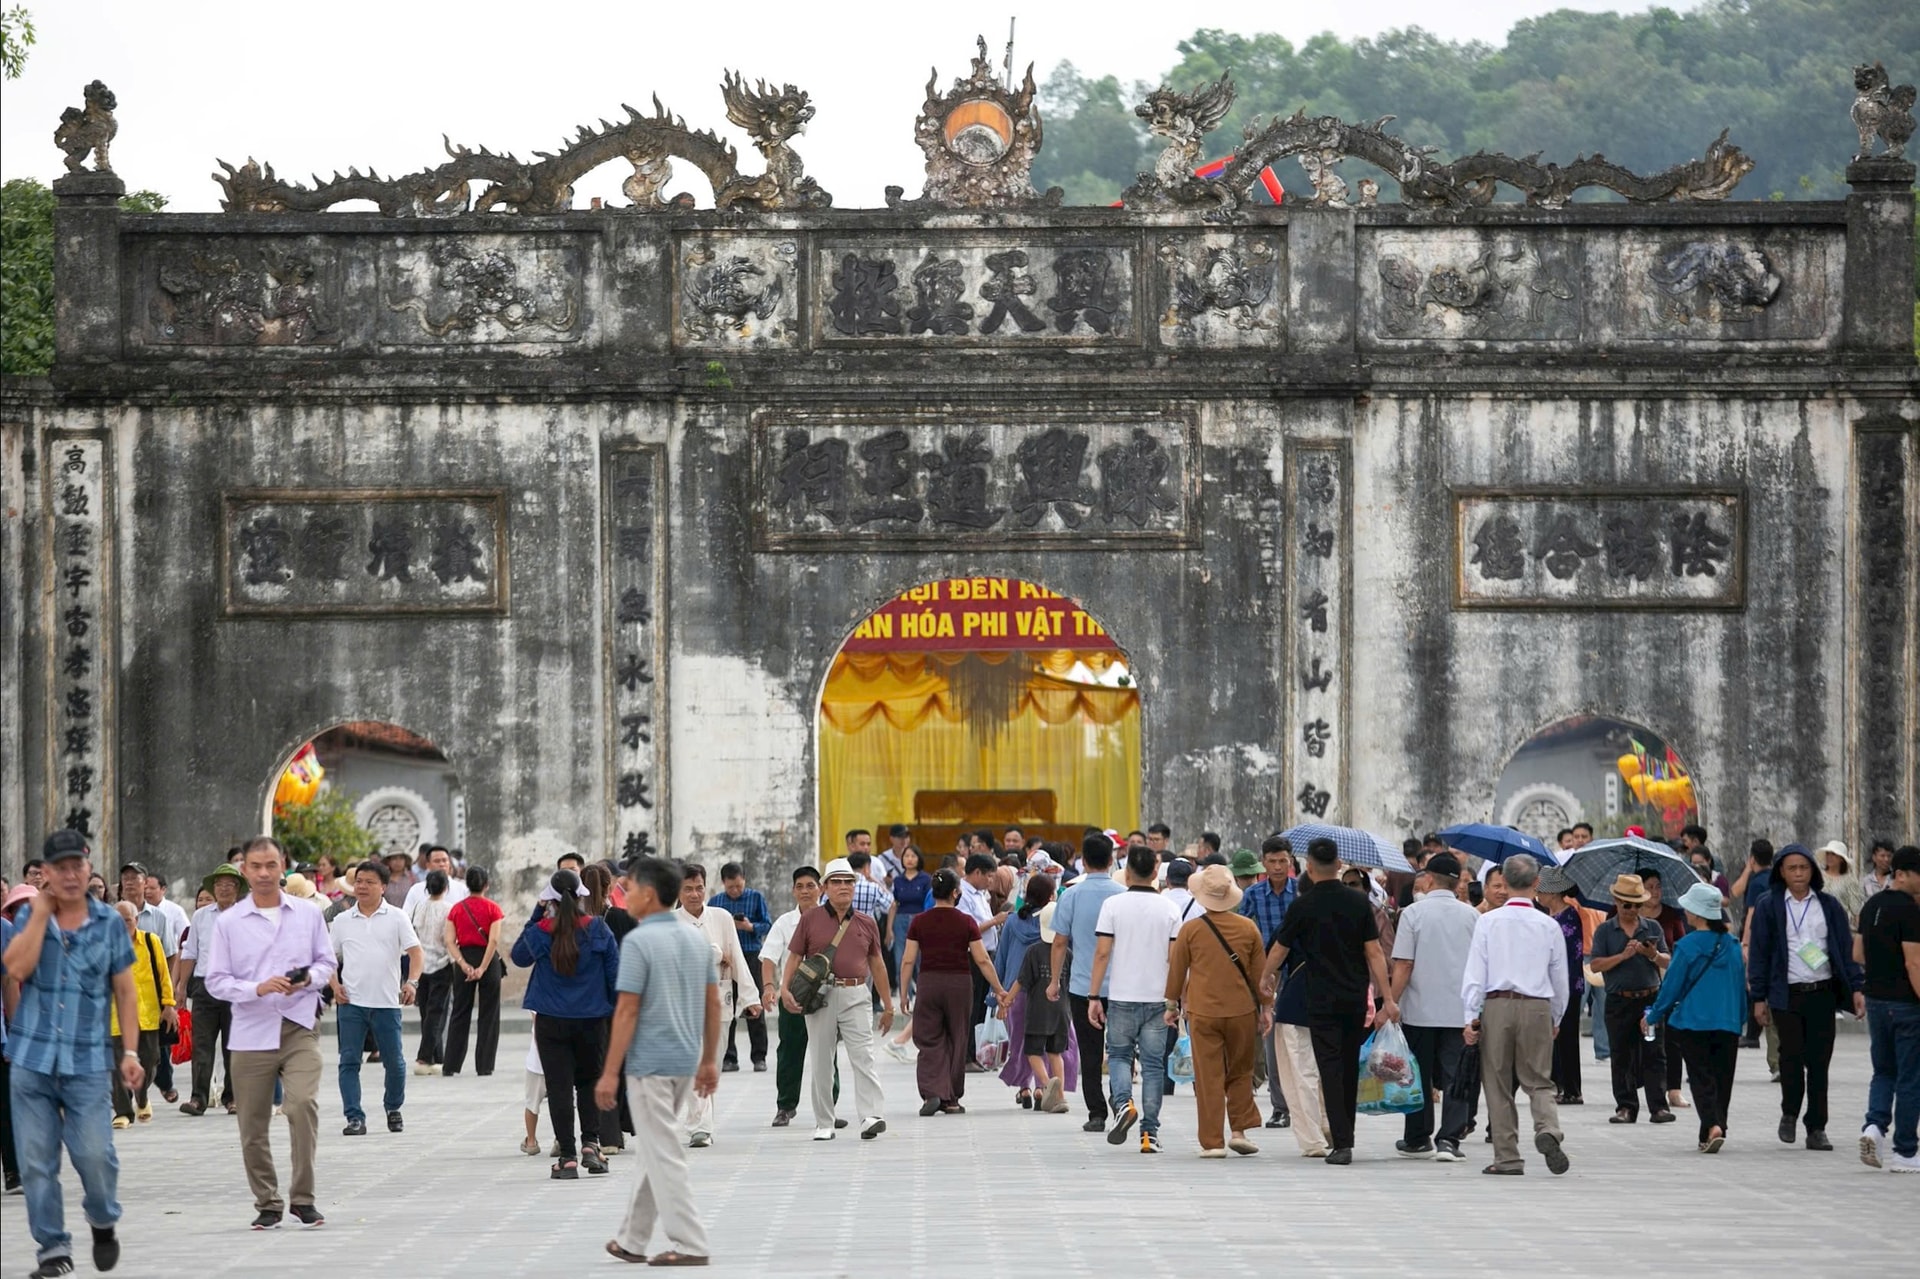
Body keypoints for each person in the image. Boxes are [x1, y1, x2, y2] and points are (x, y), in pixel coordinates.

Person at [3, 830, 142, 1277]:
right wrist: (41, 914)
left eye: (77, 866)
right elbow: (17, 970)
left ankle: (102, 1220)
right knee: (37, 1164)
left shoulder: (108, 923)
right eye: (59, 868)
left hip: (86, 1063)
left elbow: (125, 990)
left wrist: (132, 1053)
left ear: (88, 867)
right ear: (44, 874)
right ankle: (53, 1250)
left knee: (95, 1157)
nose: (69, 875)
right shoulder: (29, 916)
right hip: (32, 1062)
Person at [201, 836, 335, 1230]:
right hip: (249, 1030)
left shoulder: (308, 915)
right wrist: (255, 989)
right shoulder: (228, 922)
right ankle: (267, 1201)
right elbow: (216, 980)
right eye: (255, 866)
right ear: (244, 870)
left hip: (299, 1025)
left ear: (283, 867)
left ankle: (303, 1198)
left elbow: (326, 962)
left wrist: (308, 979)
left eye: (271, 865)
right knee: (253, 1124)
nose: (263, 873)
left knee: (301, 1105)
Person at [596, 857, 721, 1267]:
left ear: (648, 895)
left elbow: (627, 1011)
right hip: (685, 1059)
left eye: (629, 888)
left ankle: (691, 1243)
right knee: (655, 1147)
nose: (624, 895)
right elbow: (713, 1004)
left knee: (664, 1152)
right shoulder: (695, 939)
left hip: (649, 1064)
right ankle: (632, 1238)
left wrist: (610, 1073)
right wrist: (708, 1061)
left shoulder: (637, 942)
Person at [1260, 838, 1399, 1166]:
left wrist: (1265, 977)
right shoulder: (1357, 902)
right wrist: (1388, 997)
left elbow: (1280, 948)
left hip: (1318, 998)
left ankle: (1342, 1143)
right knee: (1348, 1066)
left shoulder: (1302, 905)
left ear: (1308, 867)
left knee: (1329, 1067)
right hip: (1352, 997)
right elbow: (1375, 951)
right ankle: (1344, 1135)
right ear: (1339, 865)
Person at [1748, 843, 1866, 1151]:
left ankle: (1817, 1127)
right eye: (1792, 868)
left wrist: (1856, 987)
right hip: (1786, 994)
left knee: (1819, 1062)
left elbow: (1845, 949)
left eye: (1804, 867)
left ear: (1813, 871)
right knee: (1790, 1057)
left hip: (1822, 991)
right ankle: (1789, 1112)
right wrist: (1758, 997)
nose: (1798, 873)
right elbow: (1759, 953)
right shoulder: (1768, 905)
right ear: (1781, 872)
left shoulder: (1827, 905)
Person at [1460, 854, 1569, 1177]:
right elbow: (1560, 978)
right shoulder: (1548, 925)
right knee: (1539, 1079)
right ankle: (1548, 1127)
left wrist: (1470, 1015)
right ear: (1537, 883)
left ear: (1504, 884)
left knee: (1497, 1082)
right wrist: (1557, 1017)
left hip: (1496, 1005)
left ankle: (1507, 1157)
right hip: (1537, 1005)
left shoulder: (1488, 922)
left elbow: (1475, 974)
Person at [513, 868, 621, 1179]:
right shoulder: (598, 929)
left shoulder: (541, 931)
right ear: (581, 896)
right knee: (589, 1083)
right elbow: (615, 976)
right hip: (592, 1021)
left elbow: (519, 956)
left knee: (559, 1088)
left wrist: (537, 911)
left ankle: (568, 1157)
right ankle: (591, 1144)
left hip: (551, 1021)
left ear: (550, 900)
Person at [778, 858, 893, 1142]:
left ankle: (871, 1116)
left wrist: (888, 1005)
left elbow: (877, 965)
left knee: (863, 1056)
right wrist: (784, 989)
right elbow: (794, 956)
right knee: (821, 1059)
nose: (844, 887)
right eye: (837, 882)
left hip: (856, 993)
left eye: (849, 882)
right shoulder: (810, 919)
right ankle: (824, 1122)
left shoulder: (866, 922)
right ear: (825, 887)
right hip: (820, 996)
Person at [1084, 843, 1181, 1155]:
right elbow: (1174, 957)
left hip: (1122, 995)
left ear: (1126, 873)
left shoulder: (1113, 905)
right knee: (1153, 1066)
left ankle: (1123, 1102)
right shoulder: (1169, 909)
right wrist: (1174, 999)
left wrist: (1094, 995)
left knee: (1119, 1056)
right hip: (1158, 998)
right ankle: (1149, 1134)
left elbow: (1102, 953)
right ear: (1156, 871)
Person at [1167, 864, 1266, 1157]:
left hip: (1203, 1011)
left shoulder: (1191, 930)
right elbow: (1260, 976)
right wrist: (1267, 1008)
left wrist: (1171, 1005)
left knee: (1208, 1075)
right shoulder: (1248, 928)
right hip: (1241, 1011)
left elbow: (1177, 971)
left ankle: (1212, 1142)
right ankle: (1239, 1130)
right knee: (1240, 1070)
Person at [1388, 851, 1479, 1161]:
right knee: (1456, 1075)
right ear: (1458, 883)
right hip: (1458, 1010)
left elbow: (1404, 965)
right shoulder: (1472, 915)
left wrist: (1391, 1001)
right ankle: (1450, 1139)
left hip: (1420, 1009)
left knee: (1417, 1073)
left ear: (1428, 879)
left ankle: (1417, 1137)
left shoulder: (1413, 913)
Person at [1644, 882, 1747, 1154]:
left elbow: (1672, 986)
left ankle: (1712, 1124)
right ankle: (1713, 1129)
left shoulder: (1687, 946)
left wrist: (1654, 1014)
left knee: (1701, 1077)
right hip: (1728, 1022)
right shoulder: (1733, 945)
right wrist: (1741, 1017)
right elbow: (1740, 984)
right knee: (1723, 1077)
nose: (1685, 911)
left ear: (1698, 913)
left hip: (1693, 1022)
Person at [327, 859, 423, 1137]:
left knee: (395, 1062)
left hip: (386, 1003)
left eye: (369, 882)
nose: (362, 887)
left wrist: (412, 983)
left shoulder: (396, 917)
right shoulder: (342, 921)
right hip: (351, 1003)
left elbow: (416, 953)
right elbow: (328, 958)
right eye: (359, 881)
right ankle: (354, 1117)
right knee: (349, 1062)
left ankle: (393, 1107)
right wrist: (334, 985)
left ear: (383, 886)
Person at [904, 868, 1006, 1116]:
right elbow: (982, 960)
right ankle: (951, 1099)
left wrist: (905, 991)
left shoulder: (919, 921)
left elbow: (908, 960)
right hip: (959, 983)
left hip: (928, 982)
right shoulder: (966, 922)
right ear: (954, 893)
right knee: (957, 1037)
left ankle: (931, 1091)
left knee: (928, 1038)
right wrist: (998, 989)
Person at [672, 863, 758, 1147]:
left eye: (699, 888)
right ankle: (702, 1127)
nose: (695, 894)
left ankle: (699, 1123)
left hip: (719, 1002)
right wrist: (714, 953)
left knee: (711, 1066)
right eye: (688, 889)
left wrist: (750, 998)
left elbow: (736, 959)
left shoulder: (721, 917)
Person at [1048, 833, 1125, 1132]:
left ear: (1083, 861)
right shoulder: (1122, 894)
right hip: (1120, 986)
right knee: (1121, 1050)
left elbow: (1059, 942)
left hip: (1082, 986)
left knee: (1090, 1053)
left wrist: (1054, 981)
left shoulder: (1071, 896)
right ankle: (1122, 1102)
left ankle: (1096, 1113)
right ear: (1110, 860)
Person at [1853, 844, 1920, 1172]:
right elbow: (1914, 963)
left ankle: (1874, 1127)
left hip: (1877, 1001)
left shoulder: (1872, 904)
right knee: (1910, 1077)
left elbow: (1858, 954)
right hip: (1906, 1004)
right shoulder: (1910, 910)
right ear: (1904, 874)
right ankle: (1905, 1152)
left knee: (1883, 1071)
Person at [1589, 873, 1672, 1123]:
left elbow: (1668, 960)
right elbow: (1595, 965)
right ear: (1616, 901)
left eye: (1637, 904)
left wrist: (1652, 954)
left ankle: (1658, 1106)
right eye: (1627, 904)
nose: (1632, 909)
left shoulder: (1652, 927)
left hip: (1649, 1000)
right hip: (1619, 1000)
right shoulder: (1605, 930)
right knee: (1621, 1054)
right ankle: (1625, 1106)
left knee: (1654, 1052)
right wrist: (1622, 957)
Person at [761, 867, 838, 1128]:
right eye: (800, 886)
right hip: (792, 996)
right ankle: (785, 1106)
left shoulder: (835, 920)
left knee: (827, 1052)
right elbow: (769, 957)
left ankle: (829, 1108)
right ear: (793, 890)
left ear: (821, 889)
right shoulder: (785, 923)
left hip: (827, 996)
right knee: (790, 1051)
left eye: (810, 885)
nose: (805, 891)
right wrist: (769, 987)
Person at [175, 861, 245, 1116]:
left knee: (233, 1045)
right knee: (202, 1043)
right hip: (205, 985)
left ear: (238, 889)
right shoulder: (201, 916)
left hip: (235, 986)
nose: (224, 889)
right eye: (219, 884)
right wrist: (182, 987)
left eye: (229, 885)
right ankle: (198, 1098)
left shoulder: (247, 915)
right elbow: (190, 951)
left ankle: (232, 1097)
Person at [1240, 835, 1297, 1130]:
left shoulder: (1301, 893)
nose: (1277, 866)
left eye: (1282, 861)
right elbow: (1240, 932)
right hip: (1266, 975)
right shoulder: (1252, 895)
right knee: (1272, 1041)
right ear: (1263, 862)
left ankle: (1302, 1104)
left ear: (1291, 861)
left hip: (1299, 973)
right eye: (1272, 861)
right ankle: (1280, 1106)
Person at [998, 898, 1073, 1114]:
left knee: (1033, 1052)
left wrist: (1007, 999)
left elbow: (1021, 980)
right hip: (1061, 1012)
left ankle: (1046, 1083)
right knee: (1055, 1053)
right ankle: (1060, 1098)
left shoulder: (1033, 951)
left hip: (1037, 1012)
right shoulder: (1068, 953)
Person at [108, 901, 175, 1128]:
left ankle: (142, 1096)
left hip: (148, 1014)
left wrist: (169, 1005)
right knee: (117, 1064)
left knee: (151, 1059)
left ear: (136, 920)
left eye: (127, 920)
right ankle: (123, 1112)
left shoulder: (150, 941)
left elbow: (163, 974)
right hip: (115, 1016)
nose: (123, 925)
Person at [992, 873, 1056, 1107]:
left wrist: (996, 994)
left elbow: (1002, 958)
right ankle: (1042, 1087)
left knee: (1019, 1041)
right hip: (1046, 990)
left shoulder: (1011, 921)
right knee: (1043, 1041)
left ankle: (1024, 1089)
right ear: (1050, 896)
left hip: (1014, 992)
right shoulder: (1052, 923)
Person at [441, 865, 505, 1077]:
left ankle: (451, 1064)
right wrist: (483, 968)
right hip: (488, 959)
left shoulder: (456, 909)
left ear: (467, 885)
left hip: (464, 958)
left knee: (460, 1011)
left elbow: (449, 940)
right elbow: (494, 939)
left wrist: (463, 964)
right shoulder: (493, 908)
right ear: (487, 885)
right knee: (489, 1013)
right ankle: (484, 1065)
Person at [707, 862, 770, 1074]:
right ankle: (729, 1057)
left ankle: (759, 1056)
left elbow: (767, 924)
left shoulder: (756, 897)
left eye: (739, 886)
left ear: (744, 880)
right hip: (725, 959)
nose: (735, 890)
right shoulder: (716, 902)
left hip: (751, 954)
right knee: (726, 1006)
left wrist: (749, 927)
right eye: (731, 887)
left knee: (753, 1004)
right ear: (723, 883)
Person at [1534, 867, 1586, 1106]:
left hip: (1567, 987)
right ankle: (1558, 1084)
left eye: (1541, 890)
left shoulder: (1569, 916)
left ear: (1553, 892)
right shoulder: (1546, 917)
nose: (1537, 894)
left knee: (1566, 1038)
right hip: (1547, 987)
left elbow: (1572, 957)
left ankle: (1572, 1088)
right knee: (1551, 1040)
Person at [886, 846, 932, 1003]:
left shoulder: (926, 879)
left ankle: (922, 996)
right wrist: (889, 930)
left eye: (913, 856)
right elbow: (894, 904)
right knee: (901, 960)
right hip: (900, 921)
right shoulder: (898, 880)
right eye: (907, 856)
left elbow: (929, 903)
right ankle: (907, 995)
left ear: (919, 859)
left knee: (919, 960)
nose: (910, 859)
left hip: (920, 919)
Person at [1821, 840, 1866, 925]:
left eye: (1833, 854)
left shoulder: (1849, 881)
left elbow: (1856, 910)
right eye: (1828, 854)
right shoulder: (1817, 877)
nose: (1829, 857)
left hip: (1839, 923)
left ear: (1841, 859)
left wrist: (1861, 932)